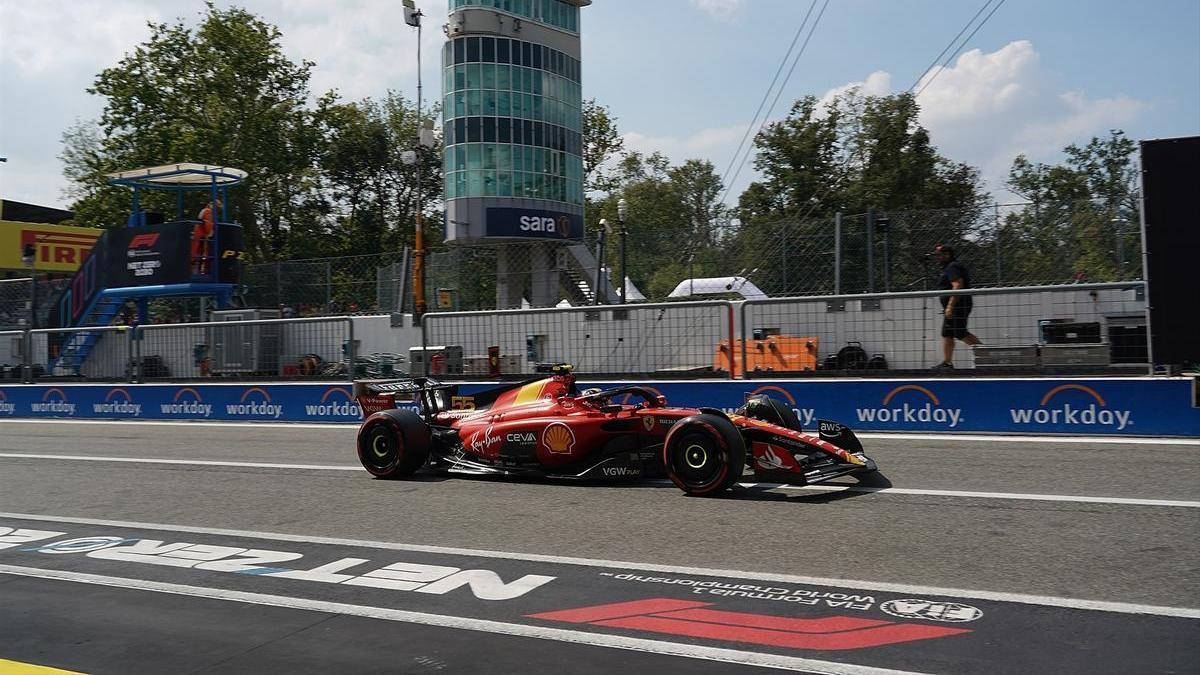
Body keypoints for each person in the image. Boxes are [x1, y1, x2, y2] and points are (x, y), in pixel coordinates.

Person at [932, 244, 980, 370]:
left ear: (948, 254)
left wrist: (950, 306)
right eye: (937, 255)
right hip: (955, 306)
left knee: (960, 332)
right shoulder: (948, 267)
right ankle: (947, 363)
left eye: (940, 255)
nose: (938, 258)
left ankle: (985, 356)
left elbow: (958, 285)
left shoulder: (952, 266)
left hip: (958, 305)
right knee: (947, 333)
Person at [193, 197, 221, 275]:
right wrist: (211, 231)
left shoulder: (206, 211)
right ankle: (198, 271)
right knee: (199, 254)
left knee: (199, 254)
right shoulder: (208, 211)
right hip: (201, 235)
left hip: (201, 235)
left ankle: (197, 270)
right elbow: (207, 224)